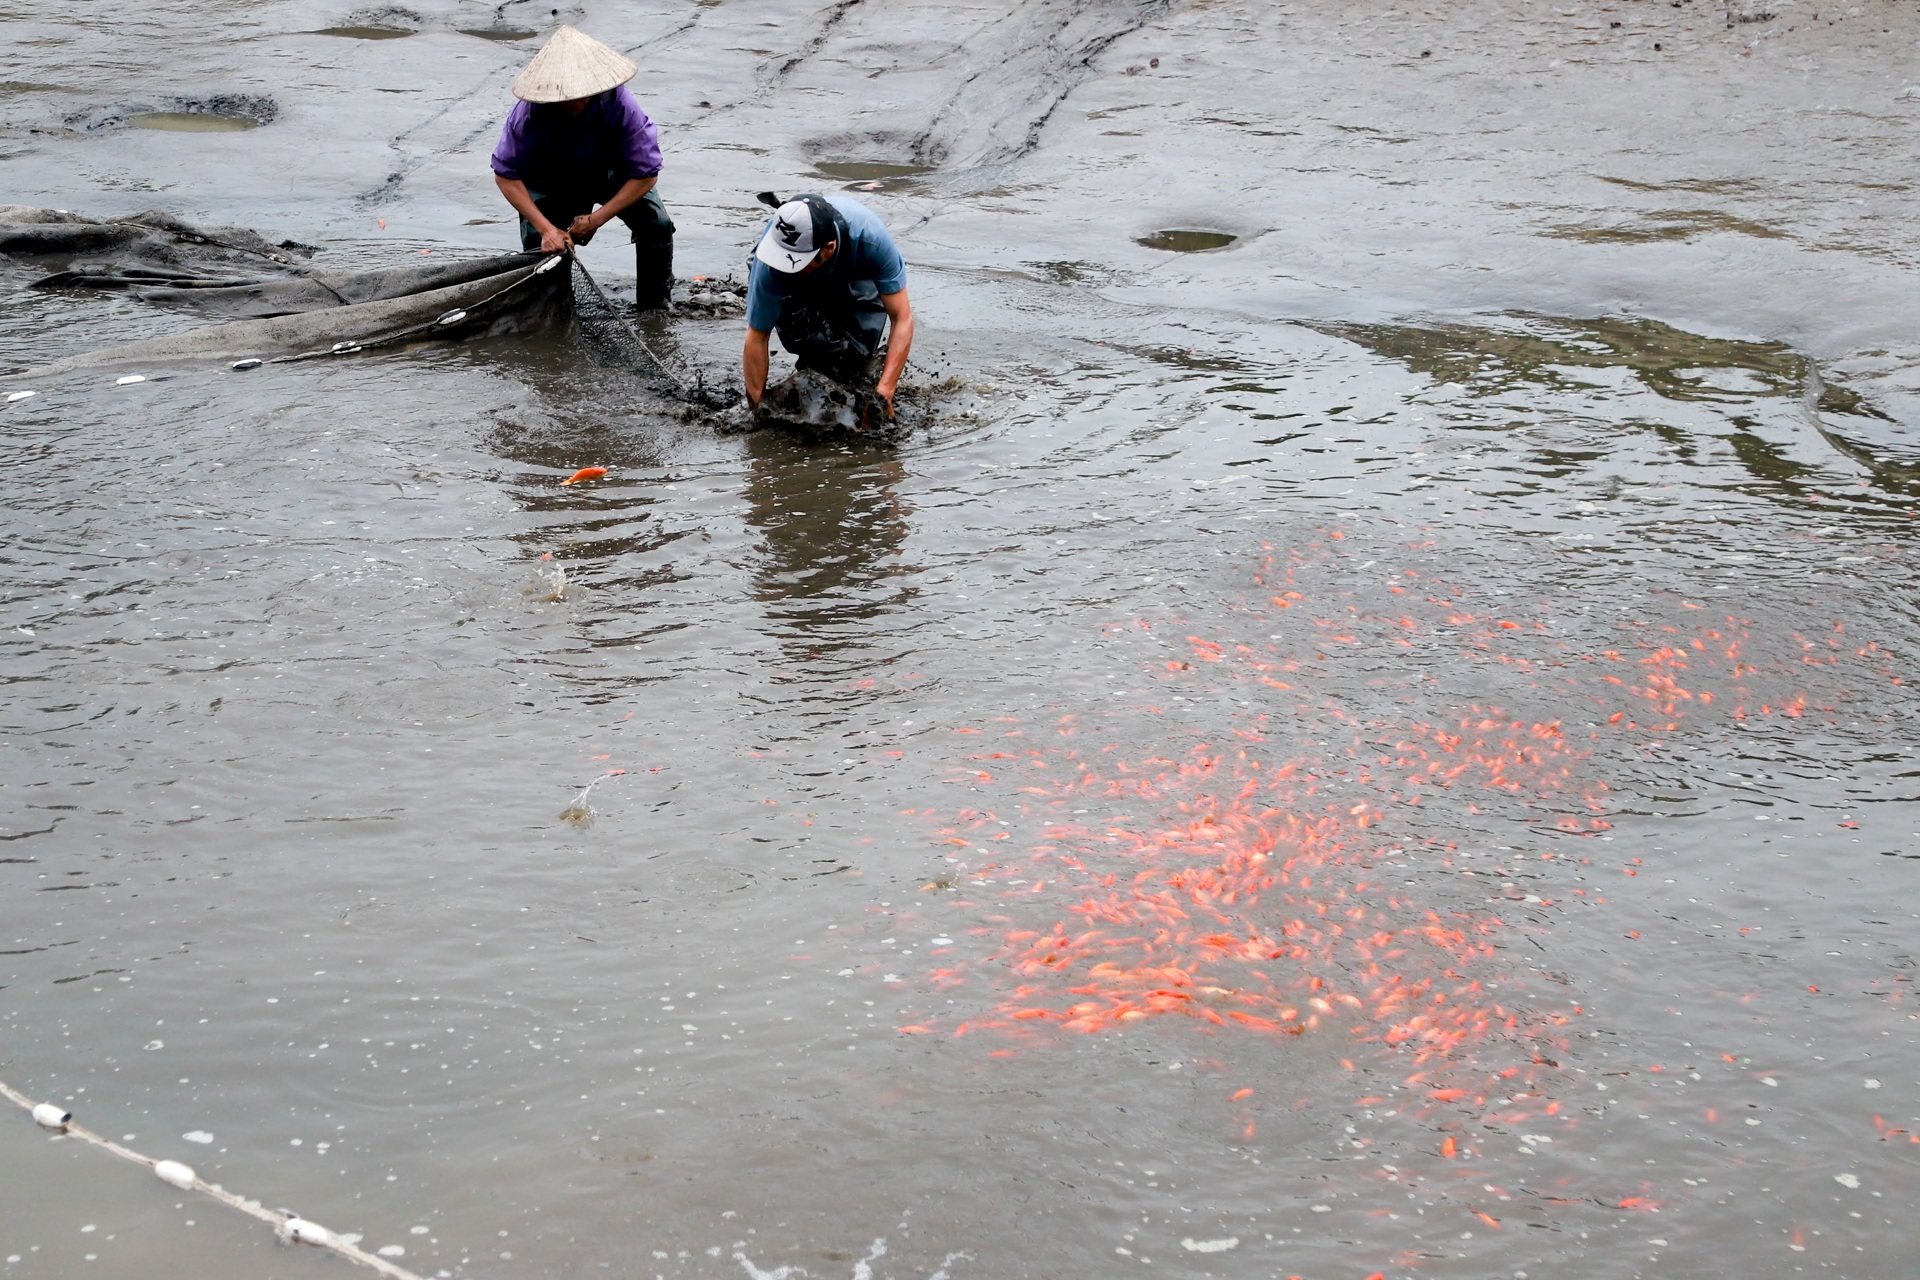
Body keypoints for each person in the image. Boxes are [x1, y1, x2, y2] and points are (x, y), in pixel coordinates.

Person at [489, 26, 675, 310]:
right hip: (552, 177)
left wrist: (596, 219)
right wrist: (547, 229)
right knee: (540, 244)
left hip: (611, 172)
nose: (575, 102)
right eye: (567, 96)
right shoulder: (530, 112)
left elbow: (646, 174)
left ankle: (655, 306)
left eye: (582, 94)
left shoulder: (620, 104)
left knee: (657, 225)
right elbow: (506, 175)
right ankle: (551, 313)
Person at [742, 194, 914, 418]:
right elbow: (757, 335)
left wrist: (884, 393)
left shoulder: (870, 240)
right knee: (807, 342)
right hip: (794, 283)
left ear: (828, 248)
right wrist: (756, 410)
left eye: (795, 262)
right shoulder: (772, 263)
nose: (785, 266)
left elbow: (902, 318)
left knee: (854, 360)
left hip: (854, 273)